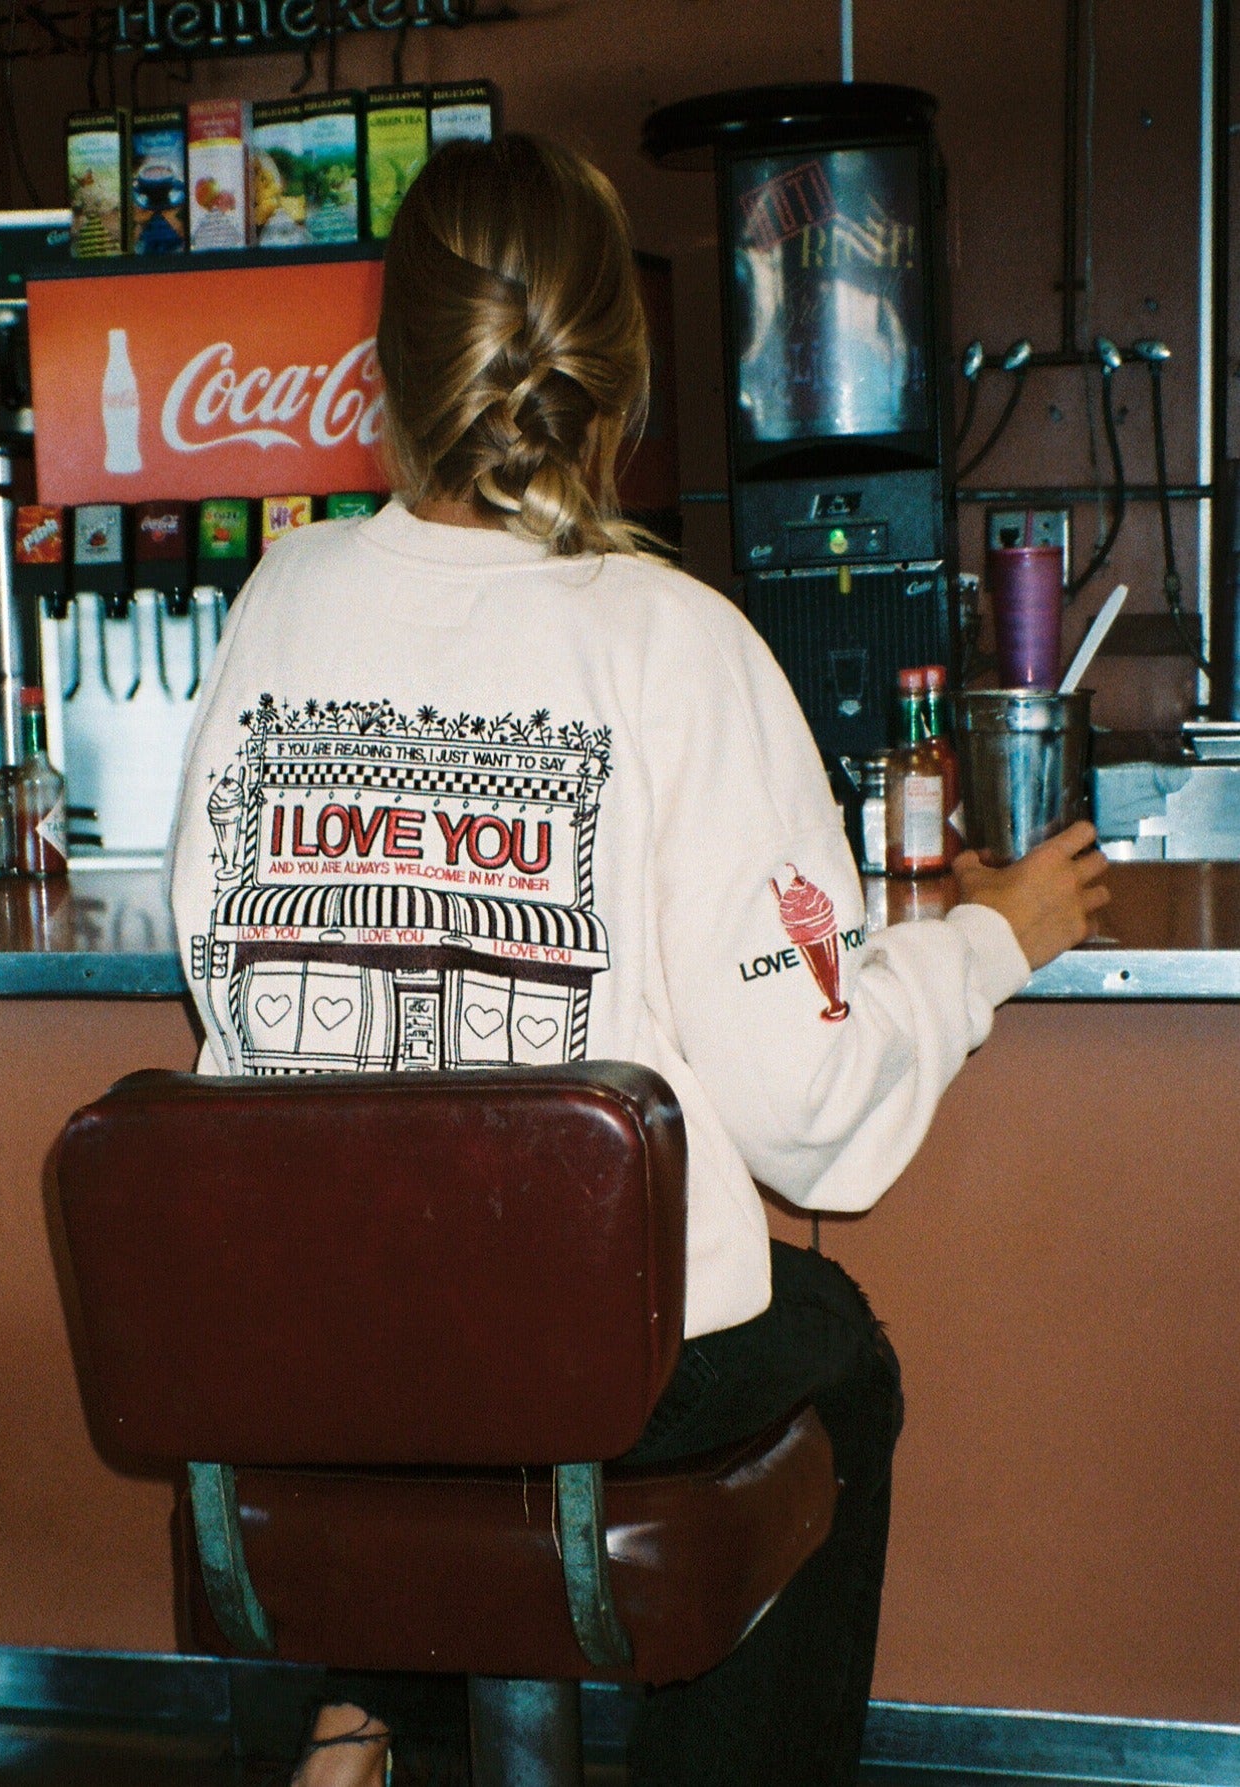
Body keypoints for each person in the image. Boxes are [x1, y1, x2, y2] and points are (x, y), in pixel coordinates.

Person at [169, 134, 1108, 1787]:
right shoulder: (676, 639)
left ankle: (364, 1712)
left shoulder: (280, 593)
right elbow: (807, 1092)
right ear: (620, 372)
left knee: (444, 1413)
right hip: (579, 1366)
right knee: (835, 1357)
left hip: (314, 1355)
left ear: (388, 361)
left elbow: (213, 957)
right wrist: (981, 942)